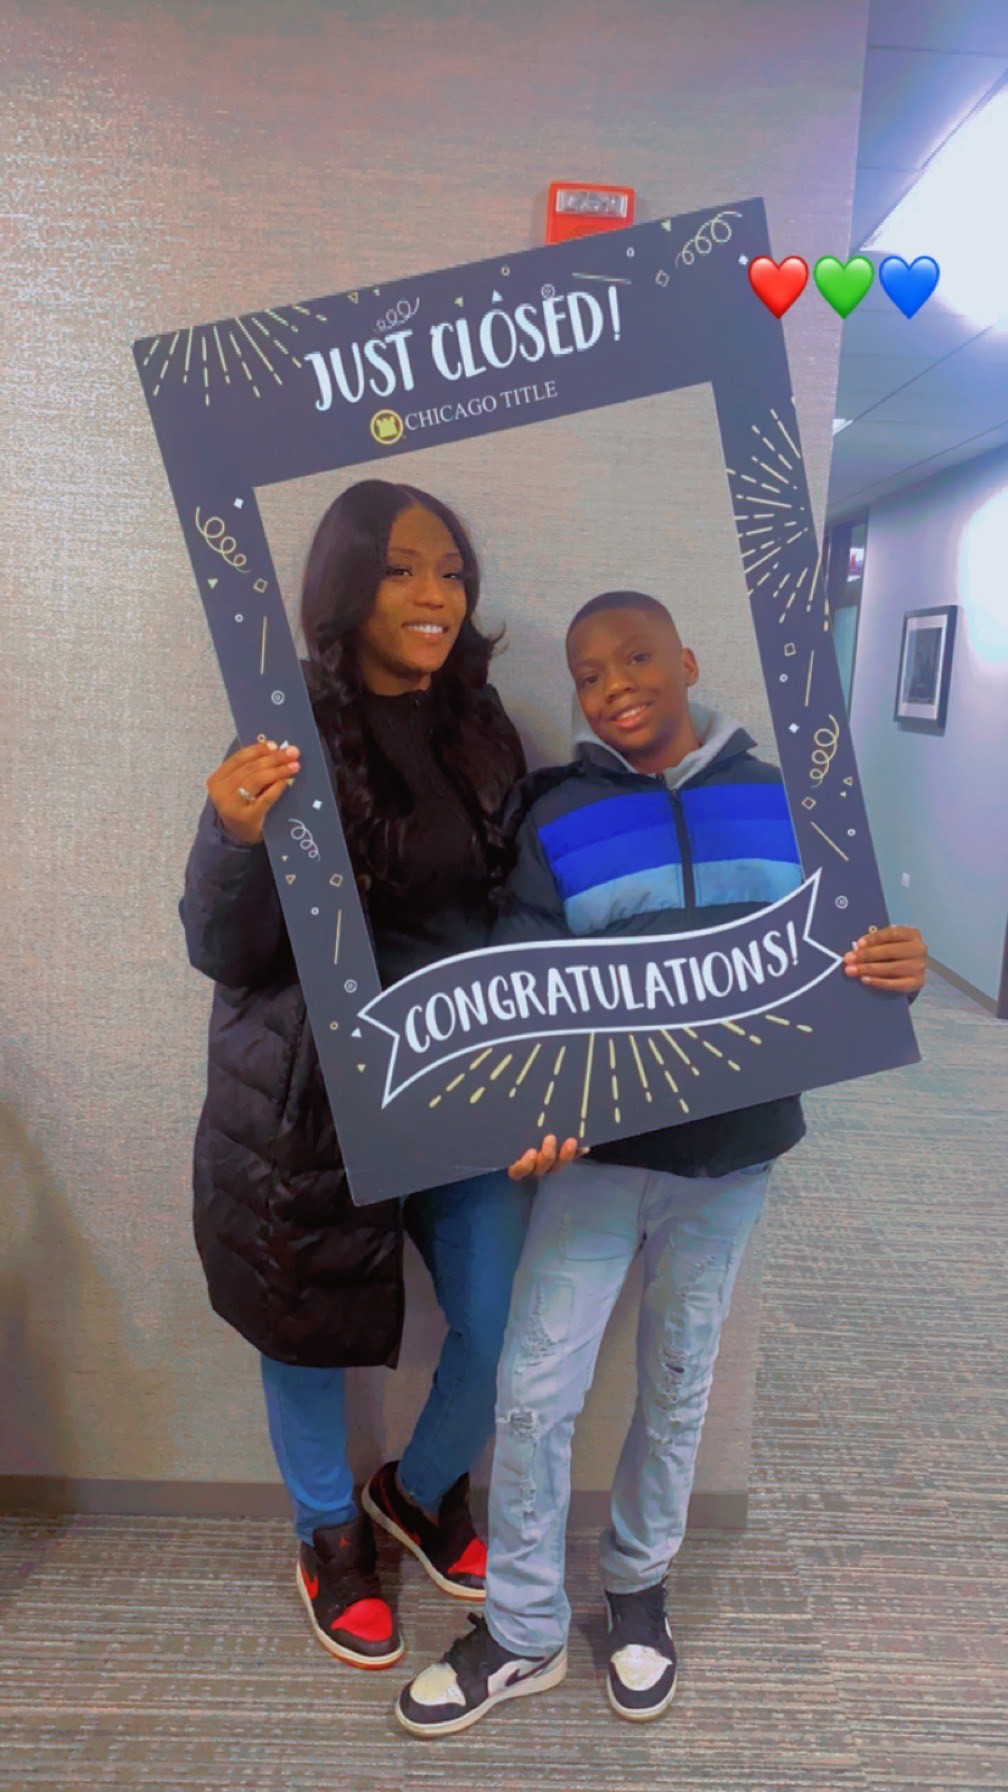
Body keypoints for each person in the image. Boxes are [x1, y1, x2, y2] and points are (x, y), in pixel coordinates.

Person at [397, 589, 928, 1733]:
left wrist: (896, 965)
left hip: (733, 1161)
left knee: (680, 1385)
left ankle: (638, 1591)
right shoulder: (558, 813)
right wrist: (524, 1105)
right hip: (593, 1160)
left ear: (684, 658)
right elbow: (526, 983)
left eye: (637, 656)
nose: (616, 684)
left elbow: (844, 958)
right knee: (536, 1392)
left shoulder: (789, 799)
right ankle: (525, 1626)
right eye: (590, 673)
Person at [180, 480, 576, 1672]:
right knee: (301, 1323)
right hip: (311, 1096)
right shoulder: (285, 723)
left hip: (461, 1078)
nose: (435, 595)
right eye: (405, 568)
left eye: (452, 571)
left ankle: (419, 1487)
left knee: (497, 1316)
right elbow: (223, 947)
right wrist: (231, 837)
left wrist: (546, 1061)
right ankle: (325, 1532)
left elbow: (518, 906)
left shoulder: (484, 722)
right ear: (349, 586)